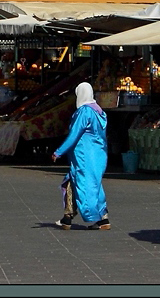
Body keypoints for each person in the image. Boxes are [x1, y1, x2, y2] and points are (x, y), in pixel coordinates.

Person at [52, 82, 110, 230]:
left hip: (85, 156)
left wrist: (59, 151)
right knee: (87, 183)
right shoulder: (99, 112)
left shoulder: (84, 111)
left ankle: (77, 217)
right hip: (98, 155)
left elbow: (74, 134)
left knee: (84, 185)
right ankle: (99, 219)